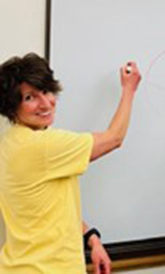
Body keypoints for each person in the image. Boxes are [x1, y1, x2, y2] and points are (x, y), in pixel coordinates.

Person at [0, 53, 141, 273]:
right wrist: (129, 90)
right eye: (30, 97)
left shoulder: (10, 142)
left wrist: (91, 238)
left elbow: (49, 210)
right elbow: (114, 138)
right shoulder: (41, 146)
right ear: (11, 107)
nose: (45, 103)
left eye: (46, 91)